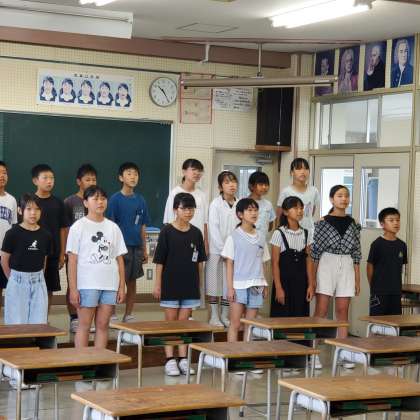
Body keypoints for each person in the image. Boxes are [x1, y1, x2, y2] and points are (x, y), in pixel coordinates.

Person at [67, 185, 127, 350]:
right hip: (87, 285)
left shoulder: (113, 227)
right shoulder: (78, 227)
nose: (100, 202)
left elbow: (119, 259)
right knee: (84, 325)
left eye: (103, 198)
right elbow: (72, 260)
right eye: (95, 199)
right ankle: (82, 361)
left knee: (103, 325)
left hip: (109, 285)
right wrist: (73, 289)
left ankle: (100, 362)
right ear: (86, 203)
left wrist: (121, 286)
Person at [153, 193, 206, 376]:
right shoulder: (166, 231)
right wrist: (158, 284)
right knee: (171, 323)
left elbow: (200, 261)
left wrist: (199, 284)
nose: (188, 212)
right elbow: (159, 261)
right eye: (184, 208)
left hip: (190, 285)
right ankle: (169, 359)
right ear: (176, 209)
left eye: (191, 209)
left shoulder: (196, 233)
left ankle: (183, 359)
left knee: (185, 324)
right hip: (170, 284)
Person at [311, 185, 361, 369]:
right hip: (326, 262)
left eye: (346, 195)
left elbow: (357, 253)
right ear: (332, 199)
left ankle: (344, 353)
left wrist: (357, 279)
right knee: (321, 310)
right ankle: (313, 353)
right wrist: (312, 279)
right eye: (339, 195)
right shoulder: (322, 223)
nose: (344, 199)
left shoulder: (353, 223)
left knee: (342, 310)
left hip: (347, 263)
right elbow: (315, 253)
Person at [222, 198, 270, 344]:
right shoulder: (233, 237)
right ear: (240, 214)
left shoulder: (261, 237)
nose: (254, 213)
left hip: (256, 285)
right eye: (249, 210)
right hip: (238, 286)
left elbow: (263, 262)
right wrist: (230, 288)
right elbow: (229, 264)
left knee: (250, 325)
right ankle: (232, 355)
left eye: (255, 210)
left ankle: (246, 354)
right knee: (235, 324)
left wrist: (264, 284)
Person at [107, 162, 150, 322]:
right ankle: (112, 313)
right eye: (129, 173)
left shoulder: (141, 200)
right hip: (118, 249)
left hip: (136, 247)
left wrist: (144, 249)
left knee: (132, 282)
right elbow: (110, 225)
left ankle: (129, 314)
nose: (133, 177)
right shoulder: (114, 199)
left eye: (136, 174)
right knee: (115, 281)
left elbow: (143, 226)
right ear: (121, 177)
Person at [1, 193, 51, 324]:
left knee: (39, 323)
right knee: (17, 323)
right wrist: (13, 279)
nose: (33, 213)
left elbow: (44, 259)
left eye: (37, 209)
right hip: (17, 281)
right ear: (20, 210)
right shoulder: (12, 233)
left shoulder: (45, 235)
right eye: (29, 209)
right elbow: (4, 259)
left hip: (38, 281)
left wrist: (39, 276)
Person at [64, 164, 98, 332]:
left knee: (91, 284)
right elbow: (65, 228)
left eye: (94, 179)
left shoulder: (98, 201)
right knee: (73, 284)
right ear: (79, 181)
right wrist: (66, 251)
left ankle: (88, 318)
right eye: (87, 179)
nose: (91, 182)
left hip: (92, 252)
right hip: (75, 251)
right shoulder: (70, 202)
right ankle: (74, 318)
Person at [32, 164, 69, 309]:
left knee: (49, 288)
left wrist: (62, 253)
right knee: (33, 288)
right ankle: (32, 320)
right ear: (35, 181)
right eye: (45, 178)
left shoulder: (58, 203)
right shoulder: (30, 202)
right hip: (33, 252)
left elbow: (63, 229)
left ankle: (44, 318)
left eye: (52, 178)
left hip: (53, 253)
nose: (49, 181)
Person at [270, 196, 315, 317]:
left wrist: (311, 284)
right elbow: (274, 263)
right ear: (285, 212)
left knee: (300, 317)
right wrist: (278, 287)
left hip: (301, 283)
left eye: (301, 208)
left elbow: (309, 260)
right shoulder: (279, 233)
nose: (299, 211)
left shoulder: (306, 233)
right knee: (282, 317)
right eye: (295, 208)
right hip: (284, 283)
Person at [206, 170, 239, 327]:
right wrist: (223, 250)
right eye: (227, 182)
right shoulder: (215, 204)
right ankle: (214, 316)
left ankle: (225, 316)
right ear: (220, 187)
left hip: (234, 252)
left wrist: (232, 251)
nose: (231, 185)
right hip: (217, 251)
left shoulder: (240, 204)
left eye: (233, 181)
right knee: (214, 284)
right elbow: (213, 229)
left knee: (228, 284)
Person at [367, 208, 407, 316]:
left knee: (395, 320)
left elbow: (400, 268)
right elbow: (370, 267)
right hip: (379, 292)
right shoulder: (377, 244)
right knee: (377, 321)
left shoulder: (402, 245)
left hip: (396, 292)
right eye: (391, 220)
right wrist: (374, 288)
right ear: (382, 224)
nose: (396, 223)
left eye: (397, 220)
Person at [163, 158, 209, 253]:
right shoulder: (174, 193)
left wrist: (206, 243)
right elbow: (169, 221)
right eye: (193, 169)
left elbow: (205, 222)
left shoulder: (202, 195)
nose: (197, 173)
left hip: (197, 240)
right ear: (184, 172)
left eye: (200, 170)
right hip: (178, 241)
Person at [276, 158, 320, 234]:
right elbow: (279, 215)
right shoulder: (286, 192)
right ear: (291, 172)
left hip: (309, 231)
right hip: (290, 232)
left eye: (306, 168)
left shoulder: (314, 190)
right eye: (299, 169)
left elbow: (311, 212)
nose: (303, 171)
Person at [0, 161, 17, 314]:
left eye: (4, 172)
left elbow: (14, 228)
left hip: (4, 253)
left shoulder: (11, 200)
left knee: (4, 287)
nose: (2, 176)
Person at [248, 171, 275, 243]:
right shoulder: (244, 203)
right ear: (251, 186)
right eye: (260, 184)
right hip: (247, 242)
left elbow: (270, 226)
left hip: (263, 242)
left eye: (266, 184)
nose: (264, 187)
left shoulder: (268, 204)